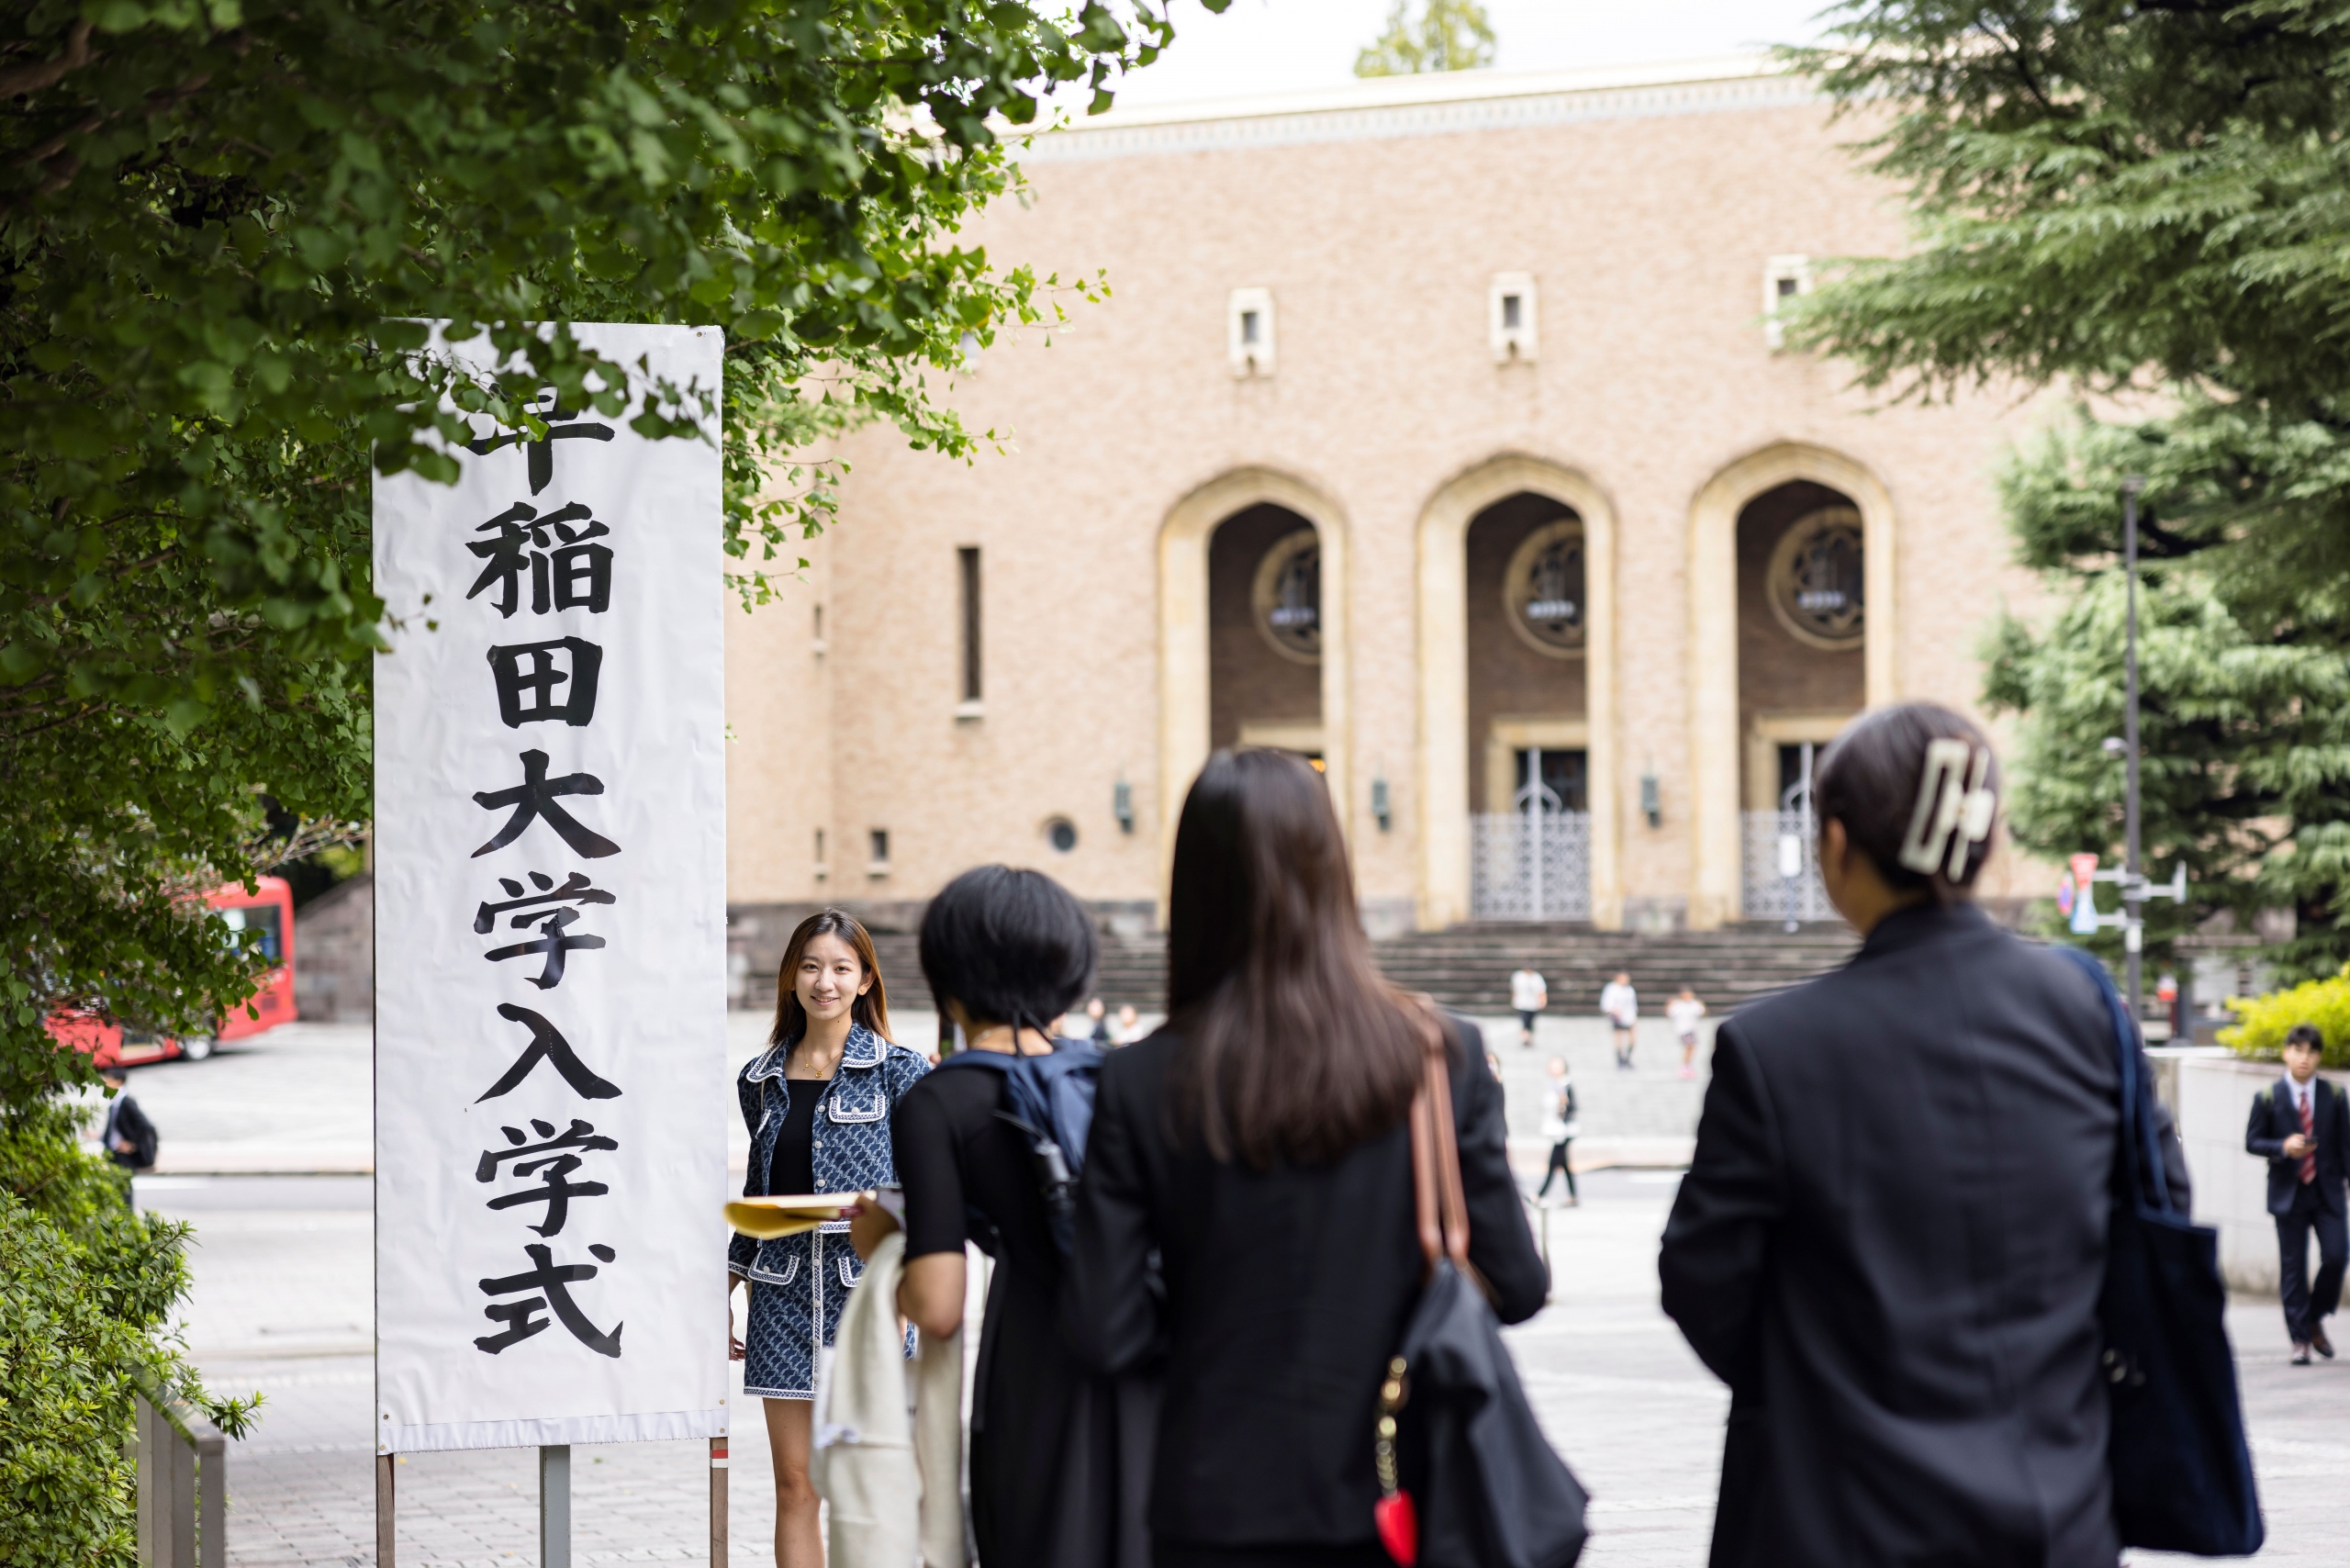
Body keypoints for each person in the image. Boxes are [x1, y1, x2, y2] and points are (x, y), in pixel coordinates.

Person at [1660, 701, 2191, 1568]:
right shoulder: (2089, 1012)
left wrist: (1817, 1380)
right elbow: (2159, 1214)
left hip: (1833, 1513)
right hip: (2056, 1507)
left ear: (1837, 845)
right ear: (1981, 844)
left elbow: (1701, 1279)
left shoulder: (1773, 1047)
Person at [1068, 747, 1548, 1568]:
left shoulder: (1141, 1078)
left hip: (1214, 1498)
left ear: (1195, 886)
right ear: (1333, 872)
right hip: (1407, 1497)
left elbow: (1106, 1330)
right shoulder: (1442, 1056)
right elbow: (1518, 1283)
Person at [849, 866, 1149, 1568]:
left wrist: (879, 1240)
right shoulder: (1114, 1072)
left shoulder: (941, 1100)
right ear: (1073, 972)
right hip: (1143, 1356)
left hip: (1036, 1369)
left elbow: (940, 1305)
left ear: (946, 979)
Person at [726, 911, 928, 1568]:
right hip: (781, 1302)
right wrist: (724, 1289)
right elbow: (757, 1198)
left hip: (869, 1302)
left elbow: (924, 1193)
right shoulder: (759, 1079)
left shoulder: (899, 1072)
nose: (825, 982)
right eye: (811, 966)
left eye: (842, 968)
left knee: (863, 1488)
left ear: (866, 979)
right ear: (790, 977)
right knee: (796, 1487)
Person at [2245, 1022, 2349, 1363]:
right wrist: (2282, 1146)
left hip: (2326, 1191)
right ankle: (2300, 1340)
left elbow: (2345, 1147)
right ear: (2286, 1053)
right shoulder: (2268, 1097)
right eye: (2298, 1050)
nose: (2304, 1058)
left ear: (2318, 1057)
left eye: (2311, 1052)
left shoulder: (2334, 1096)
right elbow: (2252, 1142)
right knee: (2292, 1267)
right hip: (2288, 1192)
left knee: (2336, 1256)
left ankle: (2314, 1316)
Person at [97, 1064, 157, 1180]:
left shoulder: (127, 1103)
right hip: (114, 1153)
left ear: (118, 1082)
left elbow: (146, 1127)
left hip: (124, 1156)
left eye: (108, 1080)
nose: (105, 1084)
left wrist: (133, 1144)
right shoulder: (115, 1102)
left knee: (124, 1191)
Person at [1534, 1056, 1578, 1206]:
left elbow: (1572, 1107)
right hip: (1557, 1130)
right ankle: (1573, 1196)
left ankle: (1540, 1194)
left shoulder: (1565, 1085)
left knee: (1553, 1163)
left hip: (1564, 1132)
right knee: (1564, 1164)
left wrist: (1564, 1109)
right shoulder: (1553, 1084)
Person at [1666, 986, 1707, 1081]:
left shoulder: (1694, 1004)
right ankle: (1684, 1067)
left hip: (1692, 1030)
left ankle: (1687, 1065)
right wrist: (1669, 1004)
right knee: (1690, 1047)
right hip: (1683, 1030)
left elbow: (1702, 1012)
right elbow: (1670, 1013)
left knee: (1691, 1048)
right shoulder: (1678, 1005)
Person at [1600, 969, 1638, 1070]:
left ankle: (1627, 1059)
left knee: (1632, 1040)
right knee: (1618, 1039)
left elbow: (1633, 1005)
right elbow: (1606, 1004)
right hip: (1617, 1018)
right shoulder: (1612, 988)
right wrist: (1613, 1011)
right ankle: (1619, 1060)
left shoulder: (1629, 990)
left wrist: (1635, 1016)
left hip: (1629, 1017)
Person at [1509, 963, 1548, 1049]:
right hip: (1522, 1004)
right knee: (1524, 1022)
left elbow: (1541, 990)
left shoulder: (1537, 978)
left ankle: (1529, 1037)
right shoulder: (1519, 976)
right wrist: (1514, 1000)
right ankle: (1525, 1038)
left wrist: (1542, 1001)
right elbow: (1515, 990)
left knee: (1530, 1022)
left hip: (1533, 1005)